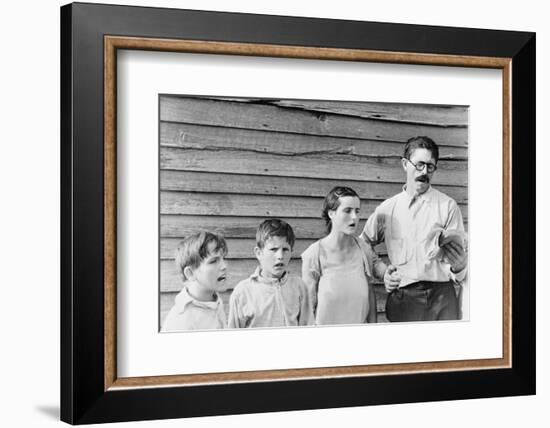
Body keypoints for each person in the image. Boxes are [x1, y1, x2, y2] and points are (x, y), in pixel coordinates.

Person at [361, 136, 467, 322]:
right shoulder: (388, 209)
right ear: (405, 164)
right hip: (404, 297)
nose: (424, 172)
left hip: (442, 297)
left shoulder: (447, 206)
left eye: (430, 166)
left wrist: (459, 265)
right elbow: (363, 244)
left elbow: (457, 260)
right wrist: (383, 271)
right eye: (419, 164)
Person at [301, 186, 387, 325]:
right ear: (331, 213)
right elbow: (307, 309)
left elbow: (370, 293)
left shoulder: (363, 249)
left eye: (357, 211)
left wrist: (373, 331)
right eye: (347, 211)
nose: (354, 217)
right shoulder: (315, 254)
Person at [227, 219, 314, 328]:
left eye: (285, 249)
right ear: (259, 253)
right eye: (274, 249)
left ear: (291, 252)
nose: (280, 256)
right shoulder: (243, 292)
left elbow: (308, 329)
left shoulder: (299, 287)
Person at [162, 231, 229, 331]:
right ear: (190, 273)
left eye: (223, 258)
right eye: (213, 261)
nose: (224, 266)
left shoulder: (214, 300)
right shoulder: (180, 322)